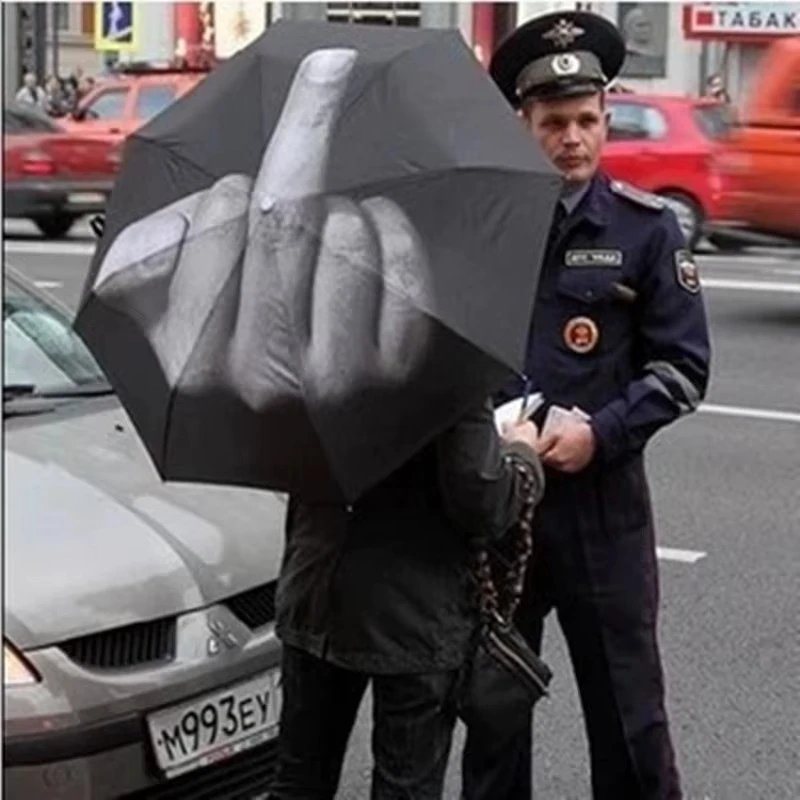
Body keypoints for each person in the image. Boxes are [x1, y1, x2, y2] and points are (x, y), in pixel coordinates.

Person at [462, 10, 710, 800]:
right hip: (506, 511)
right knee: (494, 715)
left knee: (629, 718)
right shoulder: (490, 230)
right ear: (523, 123)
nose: (572, 138)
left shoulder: (647, 232)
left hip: (603, 514)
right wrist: (498, 426)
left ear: (605, 119)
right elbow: (459, 351)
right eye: (553, 122)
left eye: (586, 121)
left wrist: (600, 434)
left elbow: (683, 369)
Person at [268, 403, 545, 798]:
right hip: (416, 610)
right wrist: (523, 454)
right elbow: (481, 500)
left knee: (299, 782)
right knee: (406, 786)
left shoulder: (305, 348)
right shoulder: (452, 358)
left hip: (317, 582)